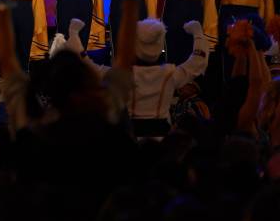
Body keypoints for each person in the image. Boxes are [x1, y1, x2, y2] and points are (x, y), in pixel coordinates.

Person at [58, 14, 209, 139]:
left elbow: (90, 67)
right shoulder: (169, 74)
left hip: (130, 138)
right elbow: (198, 61)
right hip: (160, 139)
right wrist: (198, 34)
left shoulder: (124, 75)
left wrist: (75, 37)